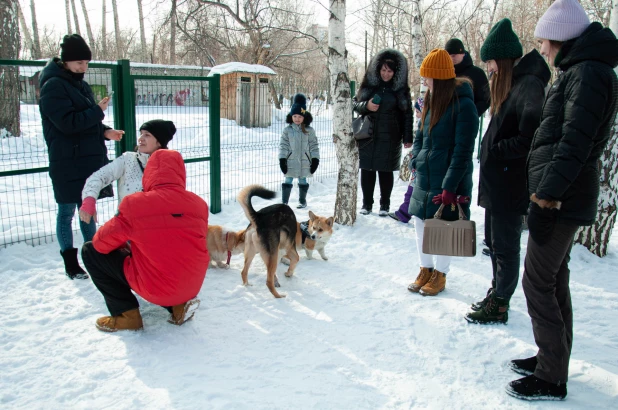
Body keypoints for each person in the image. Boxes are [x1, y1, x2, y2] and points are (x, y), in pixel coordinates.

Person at [506, 0, 618, 401]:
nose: (544, 49)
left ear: (562, 36)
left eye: (546, 41)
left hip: (560, 199)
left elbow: (573, 143)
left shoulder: (587, 73)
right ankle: (551, 359)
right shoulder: (583, 69)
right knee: (554, 281)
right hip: (562, 195)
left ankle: (552, 377)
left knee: (537, 281)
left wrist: (545, 198)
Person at [465, 18, 551, 325]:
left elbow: (531, 137)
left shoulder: (529, 85)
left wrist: (498, 151)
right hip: (497, 183)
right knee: (494, 243)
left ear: (501, 60)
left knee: (505, 246)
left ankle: (500, 303)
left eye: (490, 62)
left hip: (509, 183)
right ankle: (496, 293)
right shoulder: (514, 84)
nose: (488, 69)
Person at [81, 149, 210, 332]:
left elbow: (101, 244)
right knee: (170, 256)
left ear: (149, 172)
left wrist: (124, 245)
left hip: (155, 289)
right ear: (181, 172)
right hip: (191, 287)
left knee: (90, 251)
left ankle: (127, 316)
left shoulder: (135, 204)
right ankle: (178, 306)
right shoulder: (199, 205)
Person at [39, 34, 124, 280]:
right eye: (78, 63)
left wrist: (105, 131)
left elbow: (87, 121)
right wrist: (97, 111)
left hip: (86, 160)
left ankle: (95, 255)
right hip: (66, 161)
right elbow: (68, 123)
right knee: (66, 212)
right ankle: (71, 263)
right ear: (65, 62)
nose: (83, 68)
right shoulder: (53, 85)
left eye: (86, 63)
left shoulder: (80, 85)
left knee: (88, 208)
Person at [407, 49, 478, 296]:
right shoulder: (429, 100)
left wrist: (450, 186)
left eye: (428, 77)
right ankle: (425, 269)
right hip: (425, 175)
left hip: (448, 178)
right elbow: (419, 136)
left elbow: (463, 151)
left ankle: (441, 274)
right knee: (420, 224)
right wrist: (415, 158)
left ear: (440, 77)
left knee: (443, 227)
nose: (425, 82)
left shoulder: (464, 105)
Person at [79, 119, 176, 223]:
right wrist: (89, 199)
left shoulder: (169, 164)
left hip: (156, 226)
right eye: (141, 134)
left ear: (159, 141)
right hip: (127, 226)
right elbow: (98, 177)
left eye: (147, 135)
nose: (140, 139)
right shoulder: (128, 160)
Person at [353, 48, 413, 216]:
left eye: (390, 71)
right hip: (368, 135)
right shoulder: (369, 86)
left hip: (390, 136)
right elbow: (355, 105)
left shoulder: (401, 91)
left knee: (385, 171)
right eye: (383, 70)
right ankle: (366, 204)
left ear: (396, 72)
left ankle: (384, 205)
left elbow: (407, 114)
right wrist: (367, 106)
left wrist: (408, 136)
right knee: (367, 169)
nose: (386, 74)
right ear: (378, 69)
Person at [279, 93, 320, 209]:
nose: (297, 119)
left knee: (302, 180)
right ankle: (284, 202)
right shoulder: (287, 131)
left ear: (304, 117)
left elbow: (314, 146)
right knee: (288, 179)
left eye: (300, 116)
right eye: (295, 116)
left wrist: (315, 160)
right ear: (291, 116)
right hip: (290, 161)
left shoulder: (309, 131)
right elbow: (283, 146)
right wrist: (282, 159)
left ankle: (302, 201)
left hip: (304, 162)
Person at [388, 97, 423, 223]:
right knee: (412, 191)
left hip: (421, 167)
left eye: (418, 112)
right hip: (418, 166)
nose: (416, 115)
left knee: (413, 192)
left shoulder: (426, 126)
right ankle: (404, 213)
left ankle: (404, 214)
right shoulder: (422, 125)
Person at [444, 38, 490, 118]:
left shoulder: (477, 73)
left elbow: (486, 99)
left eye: (454, 55)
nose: (451, 58)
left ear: (462, 53)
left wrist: (471, 114)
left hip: (468, 121)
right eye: (448, 56)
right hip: (445, 122)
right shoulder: (443, 73)